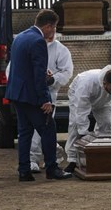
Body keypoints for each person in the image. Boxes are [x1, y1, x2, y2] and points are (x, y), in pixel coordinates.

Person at [5, 9, 71, 181]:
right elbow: (37, 74)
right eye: (54, 27)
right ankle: (52, 169)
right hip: (33, 97)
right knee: (49, 130)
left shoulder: (20, 37)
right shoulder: (38, 42)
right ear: (48, 26)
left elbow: (19, 68)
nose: (53, 31)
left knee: (24, 133)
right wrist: (45, 100)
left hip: (17, 95)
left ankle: (24, 171)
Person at [64, 65, 111, 173]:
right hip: (78, 94)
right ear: (104, 84)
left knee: (106, 125)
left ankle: (103, 156)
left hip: (104, 100)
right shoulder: (87, 82)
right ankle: (73, 159)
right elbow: (81, 109)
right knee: (75, 125)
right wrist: (83, 133)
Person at [29, 32, 74, 173]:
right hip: (29, 92)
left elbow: (67, 71)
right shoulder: (31, 45)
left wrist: (53, 80)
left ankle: (37, 158)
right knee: (31, 127)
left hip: (48, 93)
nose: (52, 31)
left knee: (43, 127)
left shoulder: (60, 49)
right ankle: (40, 158)